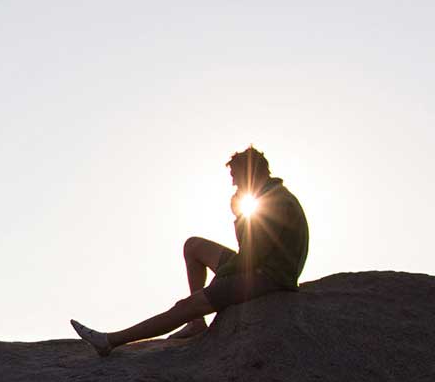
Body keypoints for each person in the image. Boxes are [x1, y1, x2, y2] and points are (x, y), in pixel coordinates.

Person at [70, 146, 309, 357]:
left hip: (269, 276)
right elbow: (250, 249)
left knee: (186, 305)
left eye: (236, 178)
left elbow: (250, 256)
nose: (234, 185)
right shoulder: (271, 195)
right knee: (193, 246)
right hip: (261, 264)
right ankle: (197, 323)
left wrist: (220, 278)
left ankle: (110, 341)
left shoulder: (274, 202)